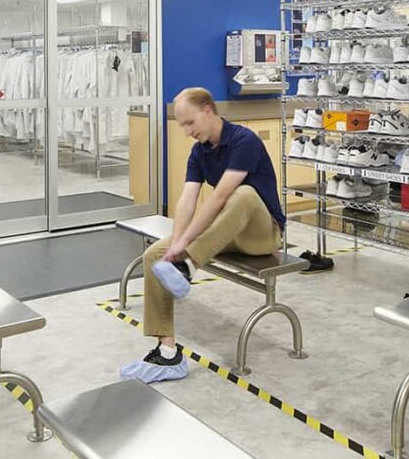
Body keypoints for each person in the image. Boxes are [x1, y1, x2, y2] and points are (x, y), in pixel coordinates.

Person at [120, 88, 285, 383]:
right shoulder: (199, 152)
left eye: (190, 123)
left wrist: (185, 248)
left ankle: (187, 267)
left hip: (262, 235)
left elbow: (220, 197)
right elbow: (187, 200)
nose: (187, 131)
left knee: (243, 194)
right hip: (227, 233)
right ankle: (167, 354)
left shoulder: (244, 141)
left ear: (208, 111)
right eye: (182, 125)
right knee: (154, 255)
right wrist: (176, 240)